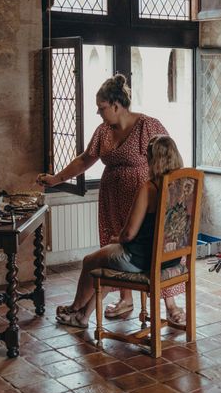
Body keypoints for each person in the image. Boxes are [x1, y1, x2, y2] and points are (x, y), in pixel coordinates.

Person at [36, 73, 186, 326]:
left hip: (140, 193)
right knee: (116, 247)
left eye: (101, 107)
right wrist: (57, 179)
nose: (98, 112)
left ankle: (170, 306)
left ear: (116, 105)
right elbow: (85, 159)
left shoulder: (148, 125)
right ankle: (125, 299)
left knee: (148, 242)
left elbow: (167, 158)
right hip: (112, 196)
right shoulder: (103, 131)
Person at [54, 135, 183, 329]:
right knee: (108, 269)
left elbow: (129, 234)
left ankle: (76, 309)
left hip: (141, 259)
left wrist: (117, 239)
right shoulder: (184, 186)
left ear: (152, 159)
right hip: (171, 257)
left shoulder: (149, 188)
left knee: (90, 260)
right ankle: (82, 317)